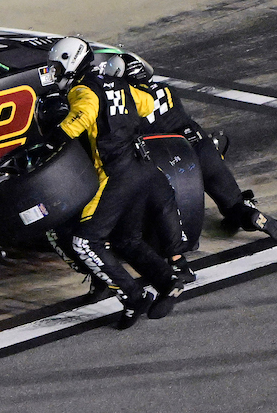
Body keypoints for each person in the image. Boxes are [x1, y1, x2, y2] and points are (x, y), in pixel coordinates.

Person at [47, 37, 187, 328]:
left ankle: (134, 297)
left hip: (115, 175)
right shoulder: (117, 84)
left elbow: (83, 115)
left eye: (56, 68)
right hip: (142, 168)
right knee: (127, 239)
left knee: (85, 242)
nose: (54, 74)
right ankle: (168, 281)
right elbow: (147, 104)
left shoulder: (83, 89)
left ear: (71, 65)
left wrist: (54, 137)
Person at [103, 55, 277, 243]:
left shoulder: (126, 103)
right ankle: (250, 215)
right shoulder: (166, 89)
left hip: (173, 161)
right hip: (200, 145)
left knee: (156, 208)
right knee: (232, 202)